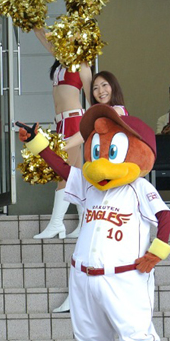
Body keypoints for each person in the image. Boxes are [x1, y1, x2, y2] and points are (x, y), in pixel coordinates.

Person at [18, 104, 170, 341]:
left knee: (134, 323)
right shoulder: (89, 185)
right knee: (91, 327)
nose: (101, 161)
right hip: (85, 273)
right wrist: (37, 142)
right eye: (97, 150)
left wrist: (156, 252)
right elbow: (63, 169)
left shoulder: (139, 187)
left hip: (126, 273)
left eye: (111, 151)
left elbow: (164, 216)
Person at [54, 70, 129, 313]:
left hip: (116, 192)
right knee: (87, 248)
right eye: (95, 88)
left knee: (107, 248)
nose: (100, 91)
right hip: (98, 188)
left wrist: (60, 145)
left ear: (113, 86)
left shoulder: (117, 112)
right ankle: (79, 297)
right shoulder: (96, 115)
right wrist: (56, 147)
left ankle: (98, 300)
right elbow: (82, 135)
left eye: (104, 85)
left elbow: (84, 133)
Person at [32, 28, 92, 240]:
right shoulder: (60, 58)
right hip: (61, 122)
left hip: (74, 121)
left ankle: (57, 223)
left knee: (63, 172)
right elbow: (41, 35)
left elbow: (92, 98)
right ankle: (85, 222)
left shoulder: (82, 64)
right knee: (75, 174)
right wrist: (35, 24)